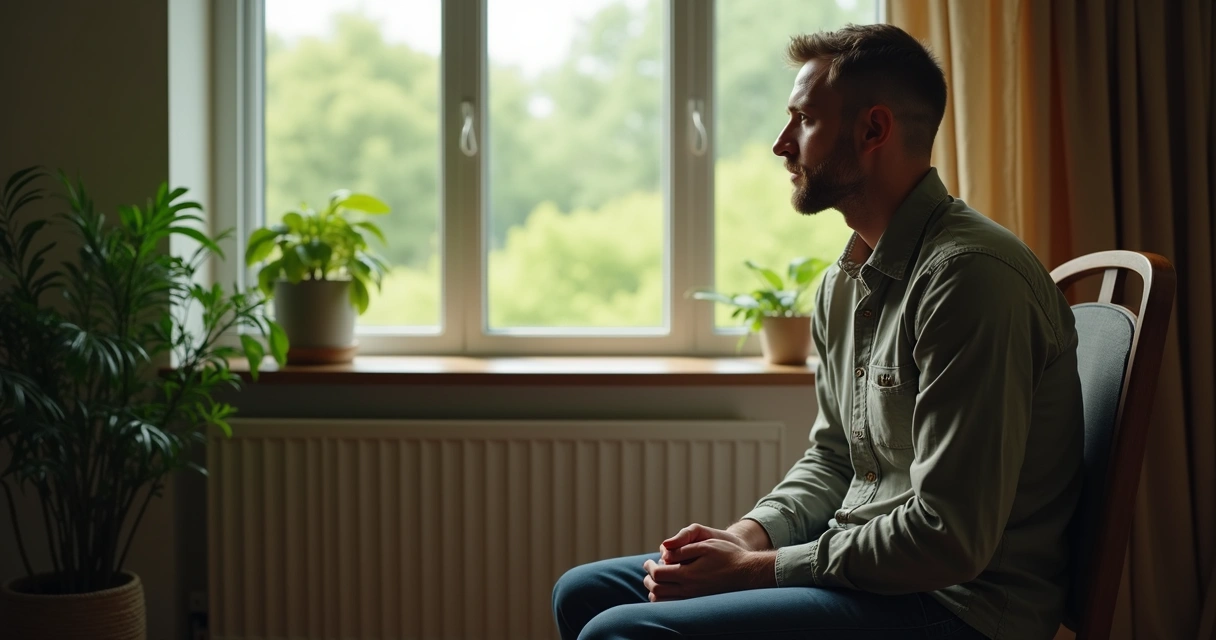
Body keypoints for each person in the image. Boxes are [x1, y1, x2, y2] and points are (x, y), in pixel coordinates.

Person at [552, 22, 1084, 640]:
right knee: (584, 593)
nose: (782, 144)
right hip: (871, 572)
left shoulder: (969, 279)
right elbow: (837, 458)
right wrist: (745, 537)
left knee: (621, 632)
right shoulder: (845, 281)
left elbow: (949, 538)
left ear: (873, 130)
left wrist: (757, 570)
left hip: (962, 606)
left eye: (803, 119)